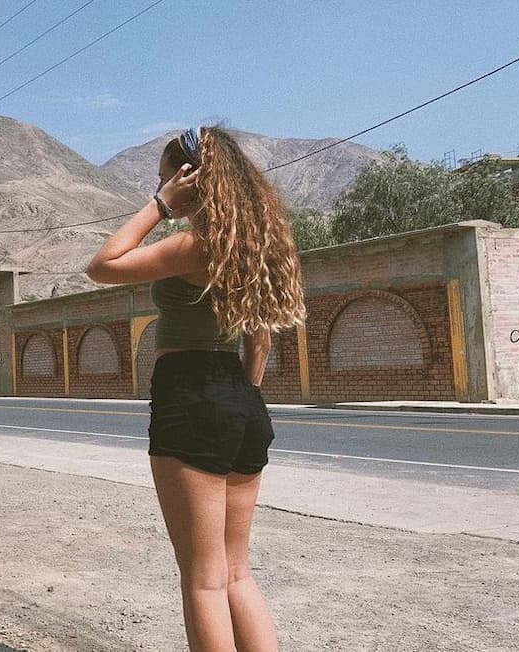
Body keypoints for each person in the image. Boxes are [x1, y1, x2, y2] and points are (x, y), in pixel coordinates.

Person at [86, 126, 306, 651]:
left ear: (190, 179)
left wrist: (159, 206)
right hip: (242, 401)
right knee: (237, 573)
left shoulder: (192, 246)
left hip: (190, 395)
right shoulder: (255, 250)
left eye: (166, 177)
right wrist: (238, 401)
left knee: (204, 580)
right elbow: (261, 347)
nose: (162, 186)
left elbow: (102, 265)